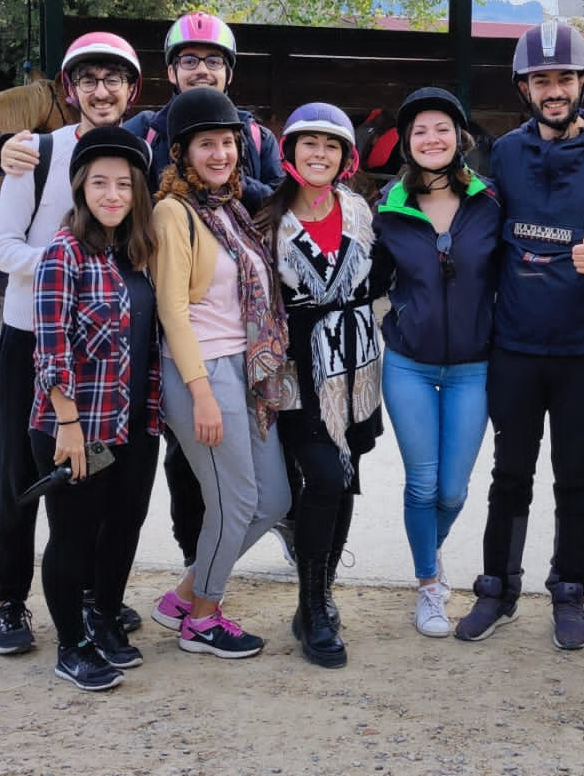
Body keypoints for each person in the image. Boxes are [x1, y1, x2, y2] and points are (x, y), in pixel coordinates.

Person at [1, 11, 285, 577]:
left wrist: (233, 177)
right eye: (188, 61)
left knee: (140, 472)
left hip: (148, 331)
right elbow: (87, 165)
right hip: (70, 330)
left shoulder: (252, 137)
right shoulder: (142, 134)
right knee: (35, 470)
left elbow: (278, 196)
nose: (200, 70)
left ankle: (154, 580)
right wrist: (4, 152)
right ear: (168, 72)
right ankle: (17, 597)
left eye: (211, 61)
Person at [456, 21, 584, 651]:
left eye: (564, 78)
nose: (554, 89)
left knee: (577, 476)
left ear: (581, 83)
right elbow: (473, 217)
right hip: (515, 343)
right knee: (509, 473)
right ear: (524, 86)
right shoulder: (507, 152)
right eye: (541, 80)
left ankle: (568, 590)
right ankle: (498, 588)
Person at [0, 31, 142, 656]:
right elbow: (1, 247)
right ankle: (9, 600)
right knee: (21, 473)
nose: (101, 92)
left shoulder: (134, 154)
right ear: (70, 90)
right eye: (88, 81)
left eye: (113, 81)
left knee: (96, 476)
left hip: (105, 349)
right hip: (33, 337)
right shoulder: (37, 154)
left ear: (131, 90)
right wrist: (64, 269)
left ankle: (82, 592)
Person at [146, 86, 293, 659]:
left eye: (228, 143)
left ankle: (184, 594)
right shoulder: (171, 212)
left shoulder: (231, 209)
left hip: (245, 369)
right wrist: (201, 393)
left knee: (273, 500)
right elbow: (172, 311)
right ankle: (202, 619)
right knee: (232, 505)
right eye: (206, 144)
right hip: (202, 371)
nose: (221, 154)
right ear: (182, 154)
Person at [27, 126, 165, 691]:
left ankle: (103, 615)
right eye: (100, 184)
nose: (112, 195)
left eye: (124, 185)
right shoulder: (64, 253)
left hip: (134, 420)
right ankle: (72, 644)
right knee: (74, 533)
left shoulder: (138, 254)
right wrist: (68, 423)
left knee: (125, 524)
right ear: (81, 188)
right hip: (77, 426)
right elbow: (49, 345)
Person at [370, 87, 502, 638]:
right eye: (420, 130)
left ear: (459, 138)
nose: (432, 138)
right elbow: (369, 280)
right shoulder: (388, 207)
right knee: (422, 485)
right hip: (409, 364)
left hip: (475, 365)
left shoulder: (490, 202)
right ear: (406, 142)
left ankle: (431, 550)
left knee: (454, 490)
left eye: (442, 128)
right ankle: (429, 584)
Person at [256, 102, 384, 668]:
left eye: (331, 145)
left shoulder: (359, 211)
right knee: (325, 477)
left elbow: (378, 282)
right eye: (309, 143)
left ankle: (321, 599)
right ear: (290, 152)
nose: (319, 154)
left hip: (356, 370)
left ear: (345, 157)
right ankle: (311, 603)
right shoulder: (265, 218)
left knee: (345, 481)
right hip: (297, 373)